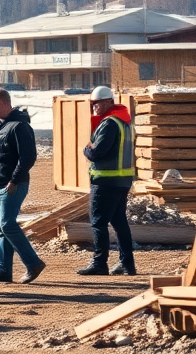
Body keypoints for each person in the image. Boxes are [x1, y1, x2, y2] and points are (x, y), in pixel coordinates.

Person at [0, 88, 46, 284]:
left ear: (6, 104)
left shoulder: (19, 126)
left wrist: (15, 179)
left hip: (13, 185)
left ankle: (33, 263)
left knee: (8, 224)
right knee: (0, 227)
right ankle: (3, 271)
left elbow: (28, 157)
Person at [79, 85, 136, 276]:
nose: (95, 107)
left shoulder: (109, 123)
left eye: (98, 103)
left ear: (109, 102)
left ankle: (99, 263)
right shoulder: (124, 122)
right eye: (93, 104)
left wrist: (87, 148)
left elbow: (95, 152)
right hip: (122, 180)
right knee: (119, 222)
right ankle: (127, 264)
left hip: (106, 181)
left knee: (98, 222)